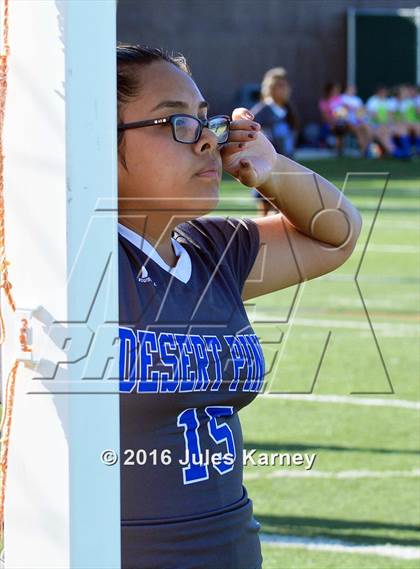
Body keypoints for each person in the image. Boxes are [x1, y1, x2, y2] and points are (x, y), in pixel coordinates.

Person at [117, 43, 362, 569]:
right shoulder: (67, 260)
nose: (207, 140)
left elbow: (336, 236)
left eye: (208, 121)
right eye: (175, 122)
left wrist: (271, 168)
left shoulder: (211, 250)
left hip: (231, 549)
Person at [250, 67, 299, 216]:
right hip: (267, 168)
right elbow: (248, 130)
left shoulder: (288, 111)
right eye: (280, 86)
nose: (285, 90)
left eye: (286, 86)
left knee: (283, 213)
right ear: (270, 88)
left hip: (285, 166)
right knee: (264, 214)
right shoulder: (263, 110)